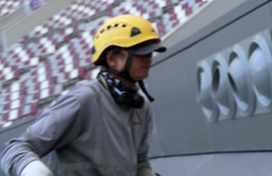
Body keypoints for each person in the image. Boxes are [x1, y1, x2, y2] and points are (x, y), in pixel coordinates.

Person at [1, 14, 166, 176]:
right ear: (112, 59)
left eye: (150, 53)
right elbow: (15, 149)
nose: (148, 59)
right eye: (140, 53)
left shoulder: (141, 107)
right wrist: (36, 172)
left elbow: (141, 162)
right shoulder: (82, 100)